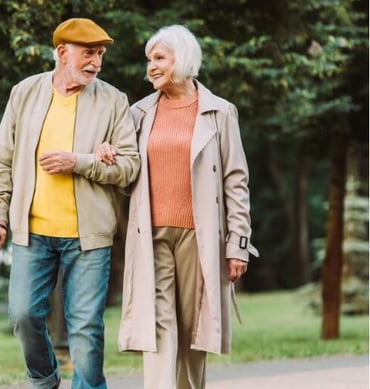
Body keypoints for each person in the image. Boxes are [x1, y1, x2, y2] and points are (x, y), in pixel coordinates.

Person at [96, 25, 259, 389]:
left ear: (182, 60)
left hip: (199, 236)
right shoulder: (137, 113)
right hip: (150, 233)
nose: (150, 67)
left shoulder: (220, 112)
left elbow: (236, 181)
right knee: (157, 324)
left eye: (159, 59)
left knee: (192, 327)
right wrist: (108, 155)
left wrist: (238, 245)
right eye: (148, 60)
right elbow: (126, 172)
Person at [0, 18, 140, 389]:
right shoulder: (25, 93)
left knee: (85, 326)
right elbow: (0, 160)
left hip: (88, 238)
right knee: (23, 315)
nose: (96, 62)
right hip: (30, 232)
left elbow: (130, 167)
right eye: (88, 53)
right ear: (62, 53)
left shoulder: (113, 100)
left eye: (100, 54)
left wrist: (80, 162)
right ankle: (44, 381)